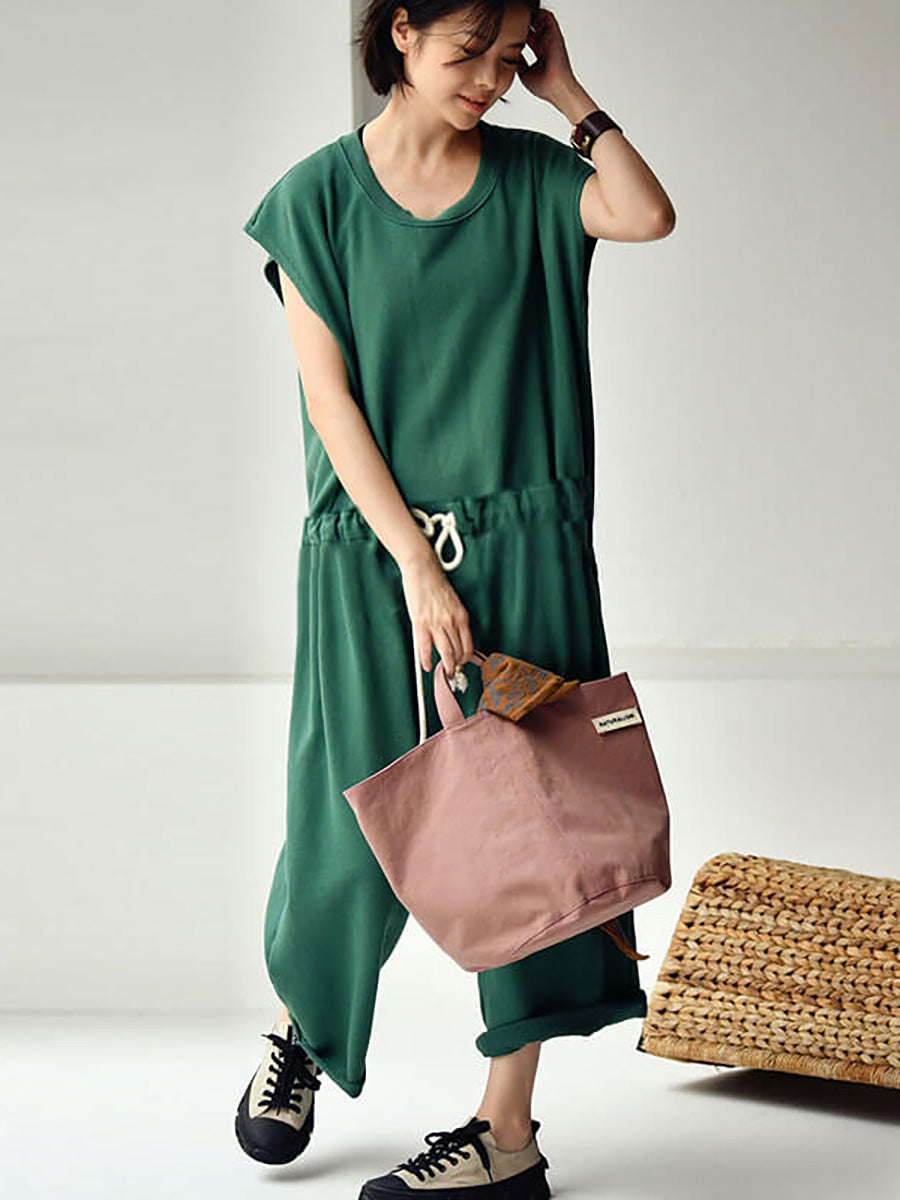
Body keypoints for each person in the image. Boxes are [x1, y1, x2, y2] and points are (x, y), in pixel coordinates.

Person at [234, 1, 675, 1194]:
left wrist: (569, 97)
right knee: (345, 820)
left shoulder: (536, 176)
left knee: (536, 830)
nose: (491, 75)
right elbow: (330, 402)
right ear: (401, 32)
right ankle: (305, 1025)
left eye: (510, 49)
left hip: (526, 542)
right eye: (467, 49)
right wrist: (417, 567)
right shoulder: (315, 200)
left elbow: (646, 212)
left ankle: (507, 1137)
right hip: (369, 554)